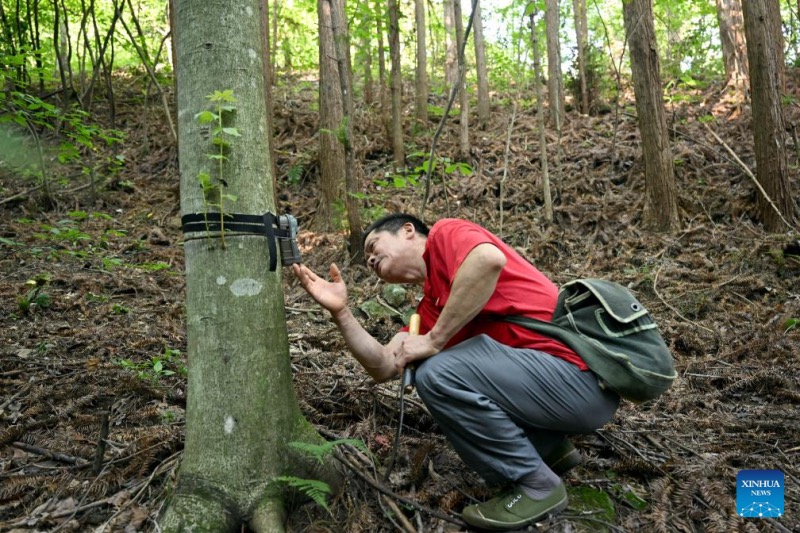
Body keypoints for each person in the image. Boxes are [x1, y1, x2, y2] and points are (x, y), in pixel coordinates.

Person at [292, 213, 620, 531]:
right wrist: (342, 312)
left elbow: (488, 261)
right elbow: (384, 365)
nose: (370, 259)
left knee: (436, 372)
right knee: (438, 367)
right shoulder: (433, 307)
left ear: (408, 231)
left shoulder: (446, 235)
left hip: (580, 379)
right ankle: (548, 450)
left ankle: (536, 486)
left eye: (374, 246)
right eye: (366, 259)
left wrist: (434, 340)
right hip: (559, 393)